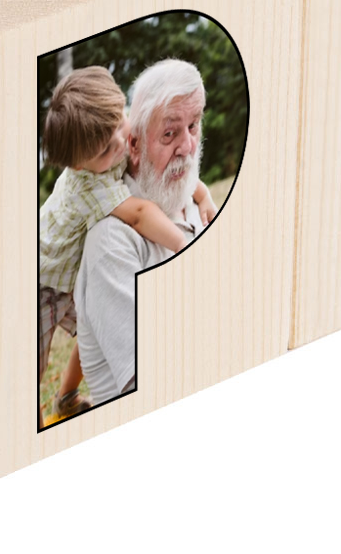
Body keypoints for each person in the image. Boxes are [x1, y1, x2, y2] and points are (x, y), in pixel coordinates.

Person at [38, 66, 213, 415]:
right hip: (44, 280)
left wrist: (203, 194)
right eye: (107, 149)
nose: (121, 143)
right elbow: (140, 214)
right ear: (79, 165)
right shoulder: (91, 185)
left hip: (70, 267)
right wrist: (186, 248)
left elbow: (180, 167)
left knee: (96, 324)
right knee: (32, 362)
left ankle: (66, 396)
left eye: (121, 123)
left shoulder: (107, 148)